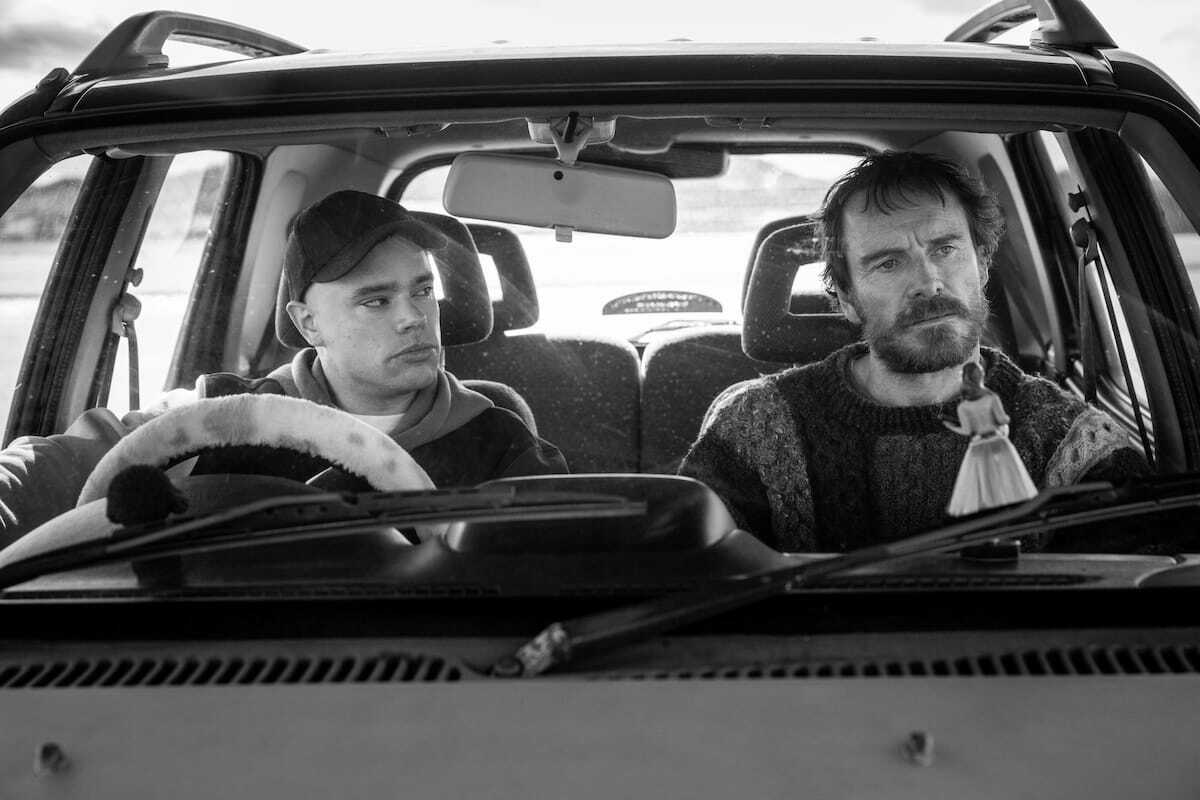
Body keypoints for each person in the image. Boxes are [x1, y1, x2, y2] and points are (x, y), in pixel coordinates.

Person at [0, 190, 567, 541]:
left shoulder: (500, 444)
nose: (414, 318)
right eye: (376, 301)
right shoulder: (216, 418)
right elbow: (55, 465)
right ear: (309, 323)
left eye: (421, 290)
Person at [679, 151, 1146, 552]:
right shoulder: (756, 431)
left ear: (983, 266)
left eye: (945, 250)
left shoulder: (1071, 441)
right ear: (846, 298)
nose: (928, 282)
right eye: (888, 263)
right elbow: (685, 578)